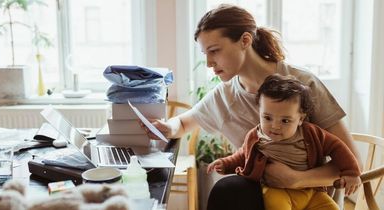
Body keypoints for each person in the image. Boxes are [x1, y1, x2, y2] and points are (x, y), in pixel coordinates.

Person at [143, 4, 362, 210]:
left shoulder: (302, 84)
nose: (209, 63)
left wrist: (296, 180)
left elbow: (353, 161)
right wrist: (167, 127)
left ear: (245, 40)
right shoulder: (224, 95)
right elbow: (182, 122)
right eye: (205, 54)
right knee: (228, 189)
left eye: (215, 51)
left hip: (311, 195)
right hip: (261, 192)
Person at [207, 74, 361, 210]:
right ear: (259, 112)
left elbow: (338, 147)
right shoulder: (256, 136)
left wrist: (351, 172)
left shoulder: (311, 134)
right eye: (267, 118)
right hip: (276, 191)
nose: (275, 126)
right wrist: (226, 164)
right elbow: (242, 155)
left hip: (311, 191)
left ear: (300, 119)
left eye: (285, 120)